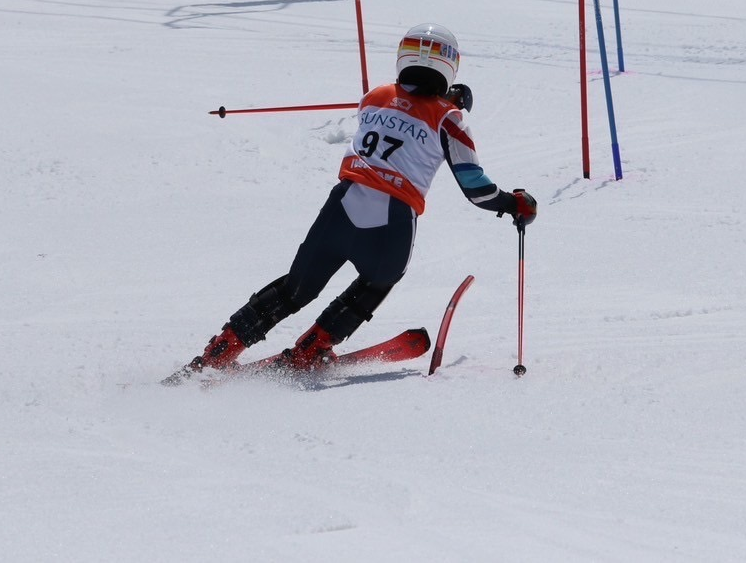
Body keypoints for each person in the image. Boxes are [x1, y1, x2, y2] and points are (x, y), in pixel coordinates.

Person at [170, 23, 538, 378]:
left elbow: (399, 111)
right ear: (450, 66)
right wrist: (513, 203)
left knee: (296, 289)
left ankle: (220, 349)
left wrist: (435, 103)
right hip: (393, 219)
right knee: (379, 280)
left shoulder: (375, 96)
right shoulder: (452, 118)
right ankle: (314, 346)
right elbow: (476, 188)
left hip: (341, 207)